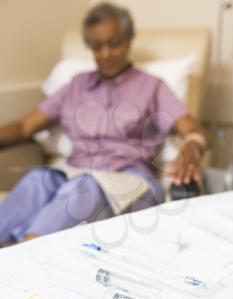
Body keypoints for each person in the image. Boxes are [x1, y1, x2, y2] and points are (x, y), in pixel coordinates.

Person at [0, 2, 207, 245]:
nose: (106, 54)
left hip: (130, 180)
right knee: (38, 177)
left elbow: (192, 131)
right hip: (75, 173)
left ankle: (28, 249)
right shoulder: (76, 86)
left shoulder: (152, 87)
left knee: (85, 185)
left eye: (114, 43)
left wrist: (191, 149)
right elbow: (25, 126)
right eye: (97, 47)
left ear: (128, 40)